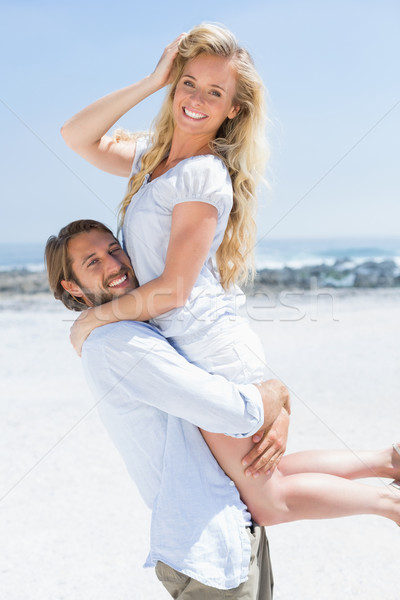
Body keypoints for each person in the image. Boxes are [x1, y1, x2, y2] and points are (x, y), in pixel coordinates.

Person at [59, 21, 400, 590]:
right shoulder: (153, 157)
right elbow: (75, 136)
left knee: (266, 499)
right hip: (198, 343)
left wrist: (95, 317)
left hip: (209, 348)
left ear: (234, 110)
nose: (195, 100)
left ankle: (389, 505)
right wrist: (152, 80)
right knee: (262, 475)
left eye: (213, 93)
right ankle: (388, 462)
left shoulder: (199, 175)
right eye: (188, 83)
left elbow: (172, 290)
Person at [46, 218, 291, 598]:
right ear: (71, 287)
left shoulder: (145, 326)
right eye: (93, 262)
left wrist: (279, 410)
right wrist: (276, 394)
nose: (114, 264)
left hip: (233, 523)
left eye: (114, 249)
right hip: (207, 552)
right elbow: (233, 413)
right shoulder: (117, 341)